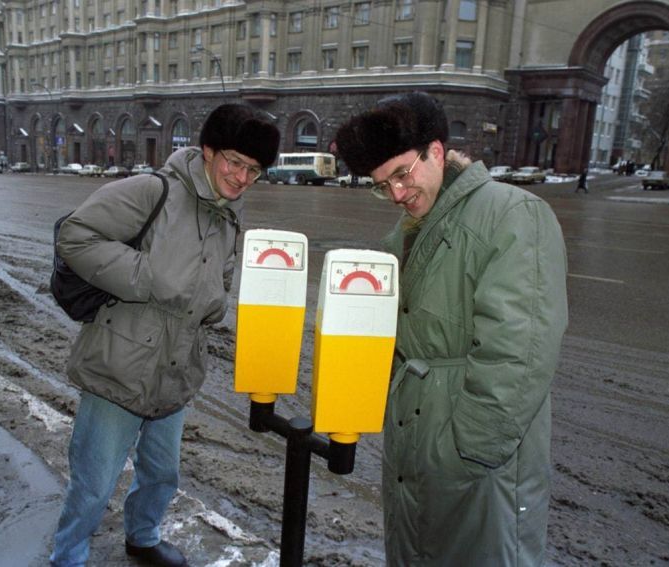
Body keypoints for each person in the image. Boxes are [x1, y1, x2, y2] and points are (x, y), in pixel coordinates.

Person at [335, 92, 568, 566]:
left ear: (437, 152)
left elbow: (517, 353)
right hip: (417, 444)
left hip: (475, 460)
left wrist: (465, 453)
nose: (397, 193)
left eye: (402, 174)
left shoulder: (511, 213)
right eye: (383, 185)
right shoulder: (406, 231)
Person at [49, 104, 280, 567]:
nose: (241, 177)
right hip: (120, 363)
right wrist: (143, 276)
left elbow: (220, 275)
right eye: (234, 161)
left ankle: (143, 536)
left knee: (162, 473)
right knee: (94, 482)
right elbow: (75, 235)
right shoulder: (152, 191)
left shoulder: (229, 213)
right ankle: (68, 557)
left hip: (177, 367)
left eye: (253, 170)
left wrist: (215, 297)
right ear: (209, 152)